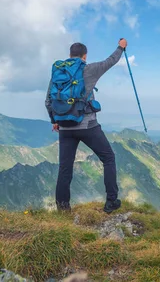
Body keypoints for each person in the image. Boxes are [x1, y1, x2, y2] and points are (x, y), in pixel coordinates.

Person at [45, 38, 127, 213]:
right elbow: (110, 61)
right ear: (84, 56)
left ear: (69, 55)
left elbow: (48, 101)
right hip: (87, 126)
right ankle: (111, 201)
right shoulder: (89, 69)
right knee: (108, 158)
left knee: (65, 168)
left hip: (65, 128)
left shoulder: (58, 73)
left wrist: (55, 121)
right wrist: (121, 47)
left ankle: (63, 208)